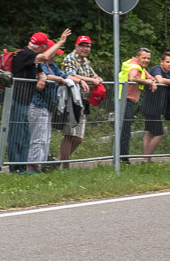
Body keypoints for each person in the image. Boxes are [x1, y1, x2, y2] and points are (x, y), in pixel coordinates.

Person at [9, 31, 66, 172]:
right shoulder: (25, 54)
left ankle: (24, 166)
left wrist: (41, 78)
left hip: (26, 101)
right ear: (40, 47)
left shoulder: (33, 59)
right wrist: (61, 41)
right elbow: (45, 57)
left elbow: (41, 71)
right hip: (18, 99)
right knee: (17, 135)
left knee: (26, 136)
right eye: (44, 47)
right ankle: (16, 168)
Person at [29, 36, 72, 173]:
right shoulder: (41, 63)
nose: (55, 57)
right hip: (38, 103)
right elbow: (47, 76)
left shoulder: (52, 65)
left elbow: (63, 75)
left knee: (45, 138)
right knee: (38, 138)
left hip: (47, 106)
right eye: (54, 53)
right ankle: (33, 166)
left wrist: (79, 80)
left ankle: (42, 165)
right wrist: (59, 79)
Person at [59, 35, 103, 169]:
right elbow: (71, 75)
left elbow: (91, 74)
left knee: (78, 138)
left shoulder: (85, 61)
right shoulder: (70, 58)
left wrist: (96, 77)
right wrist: (88, 80)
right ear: (76, 46)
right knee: (70, 134)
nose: (85, 48)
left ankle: (57, 161)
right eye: (82, 45)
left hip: (82, 100)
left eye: (87, 46)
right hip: (71, 99)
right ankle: (64, 166)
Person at [139, 51, 170, 161]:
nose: (169, 64)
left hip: (157, 107)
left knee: (149, 132)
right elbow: (160, 80)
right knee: (159, 134)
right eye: (167, 62)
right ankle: (146, 159)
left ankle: (145, 159)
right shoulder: (157, 69)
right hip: (151, 106)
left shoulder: (169, 73)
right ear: (161, 62)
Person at [115, 46, 156, 164]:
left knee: (125, 131)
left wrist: (151, 81)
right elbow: (132, 77)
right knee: (125, 132)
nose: (146, 60)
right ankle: (123, 160)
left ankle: (121, 158)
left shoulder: (140, 67)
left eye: (148, 58)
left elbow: (150, 77)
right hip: (125, 101)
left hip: (128, 102)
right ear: (137, 57)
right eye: (144, 58)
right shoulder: (134, 67)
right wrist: (147, 82)